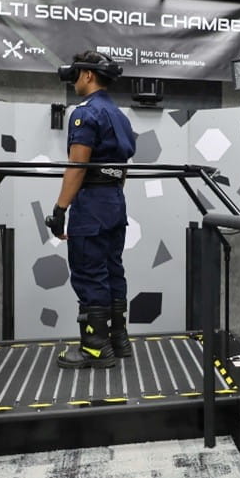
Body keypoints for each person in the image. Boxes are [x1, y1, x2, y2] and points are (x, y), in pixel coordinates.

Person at [45, 51, 137, 369]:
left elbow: (78, 165)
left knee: (89, 273)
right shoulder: (120, 116)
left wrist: (59, 209)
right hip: (115, 201)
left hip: (91, 205)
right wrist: (111, 200)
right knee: (113, 270)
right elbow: (121, 169)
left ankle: (95, 349)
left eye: (76, 75)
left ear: (87, 75)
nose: (73, 81)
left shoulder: (84, 113)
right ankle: (119, 340)